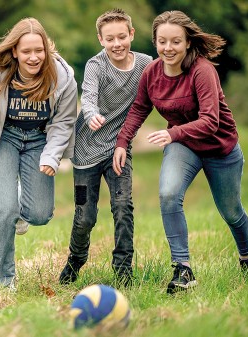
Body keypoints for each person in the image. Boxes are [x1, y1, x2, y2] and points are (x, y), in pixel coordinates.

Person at [113, 10, 248, 294]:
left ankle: (246, 257)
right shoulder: (151, 73)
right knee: (168, 194)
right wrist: (122, 142)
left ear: (188, 42)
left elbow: (210, 121)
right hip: (184, 146)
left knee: (231, 212)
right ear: (155, 42)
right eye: (162, 42)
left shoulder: (203, 71)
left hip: (220, 149)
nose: (169, 48)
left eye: (176, 42)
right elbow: (140, 108)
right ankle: (183, 268)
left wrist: (170, 133)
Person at [0, 18, 77, 290]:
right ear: (15, 51)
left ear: (47, 50)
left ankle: (21, 211)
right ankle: (2, 281)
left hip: (40, 140)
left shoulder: (62, 79)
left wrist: (51, 156)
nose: (34, 57)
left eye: (39, 50)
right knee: (4, 210)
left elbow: (64, 121)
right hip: (4, 139)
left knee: (39, 214)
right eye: (26, 51)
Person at [58, 9, 152, 287]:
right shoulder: (95, 65)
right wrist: (91, 114)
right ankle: (75, 260)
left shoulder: (146, 64)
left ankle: (123, 269)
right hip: (85, 152)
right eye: (110, 39)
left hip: (118, 150)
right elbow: (87, 96)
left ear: (131, 34)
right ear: (100, 39)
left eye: (122, 36)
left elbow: (164, 84)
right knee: (85, 216)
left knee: (123, 207)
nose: (117, 44)